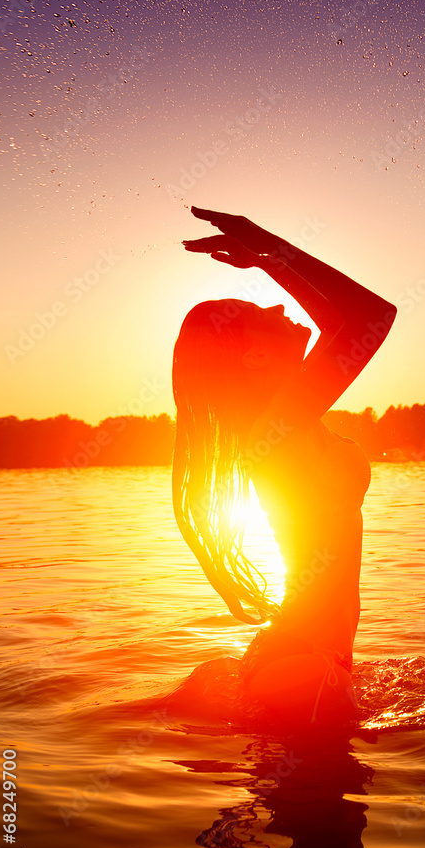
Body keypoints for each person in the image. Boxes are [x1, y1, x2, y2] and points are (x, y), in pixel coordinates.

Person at [172, 207, 396, 724]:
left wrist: (272, 258)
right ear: (251, 359)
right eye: (258, 317)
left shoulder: (281, 426)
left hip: (306, 659)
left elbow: (346, 322)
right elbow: (370, 320)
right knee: (312, 801)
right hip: (303, 669)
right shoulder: (276, 433)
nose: (277, 306)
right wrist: (272, 249)